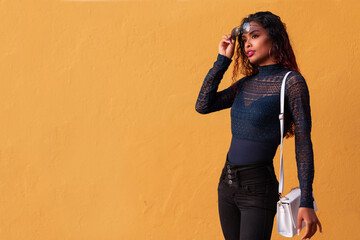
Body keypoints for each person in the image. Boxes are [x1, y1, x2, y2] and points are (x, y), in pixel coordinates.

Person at [195, 11, 322, 240]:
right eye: (244, 40)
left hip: (257, 189)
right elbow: (203, 105)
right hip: (227, 185)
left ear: (273, 38)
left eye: (254, 36)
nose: (247, 44)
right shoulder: (246, 84)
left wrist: (306, 200)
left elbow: (303, 142)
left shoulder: (291, 82)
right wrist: (222, 60)